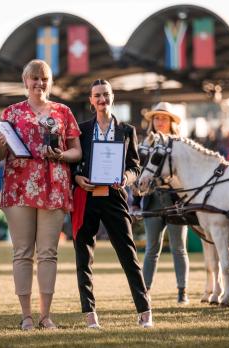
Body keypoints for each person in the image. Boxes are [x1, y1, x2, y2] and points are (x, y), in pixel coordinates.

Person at [0, 59, 81, 330]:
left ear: (49, 82)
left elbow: (77, 151)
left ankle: (46, 315)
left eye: (44, 79)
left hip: (54, 187)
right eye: (34, 78)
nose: (39, 83)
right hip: (19, 188)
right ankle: (26, 315)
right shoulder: (11, 112)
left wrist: (62, 154)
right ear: (25, 81)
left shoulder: (63, 111)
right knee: (22, 253)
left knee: (48, 253)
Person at [72, 79, 152, 329]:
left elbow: (135, 166)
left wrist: (126, 178)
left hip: (115, 197)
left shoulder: (127, 130)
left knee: (128, 254)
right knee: (83, 256)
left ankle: (145, 311)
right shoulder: (81, 129)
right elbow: (73, 162)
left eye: (105, 95)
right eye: (97, 95)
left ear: (112, 97)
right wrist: (76, 176)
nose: (101, 99)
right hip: (86, 196)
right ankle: (90, 315)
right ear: (91, 100)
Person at [132, 102, 189, 304]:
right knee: (151, 249)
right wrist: (136, 202)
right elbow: (139, 176)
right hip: (152, 200)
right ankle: (145, 291)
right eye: (156, 118)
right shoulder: (143, 145)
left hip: (175, 201)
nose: (160, 121)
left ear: (172, 122)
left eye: (164, 118)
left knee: (178, 248)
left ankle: (182, 291)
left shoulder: (180, 145)